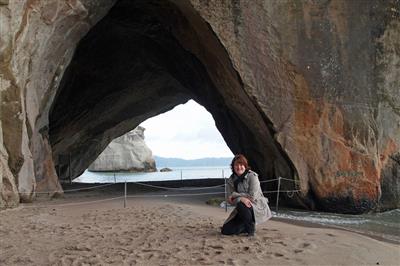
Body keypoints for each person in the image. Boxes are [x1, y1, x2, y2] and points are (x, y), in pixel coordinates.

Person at [221, 154, 272, 236]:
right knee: (225, 230)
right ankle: (245, 227)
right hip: (242, 210)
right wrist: (240, 199)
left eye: (241, 165)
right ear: (233, 167)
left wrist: (235, 195)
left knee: (242, 205)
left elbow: (252, 197)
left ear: (245, 166)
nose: (239, 167)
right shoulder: (231, 180)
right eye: (236, 165)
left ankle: (251, 230)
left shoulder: (252, 176)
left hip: (256, 206)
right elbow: (229, 199)